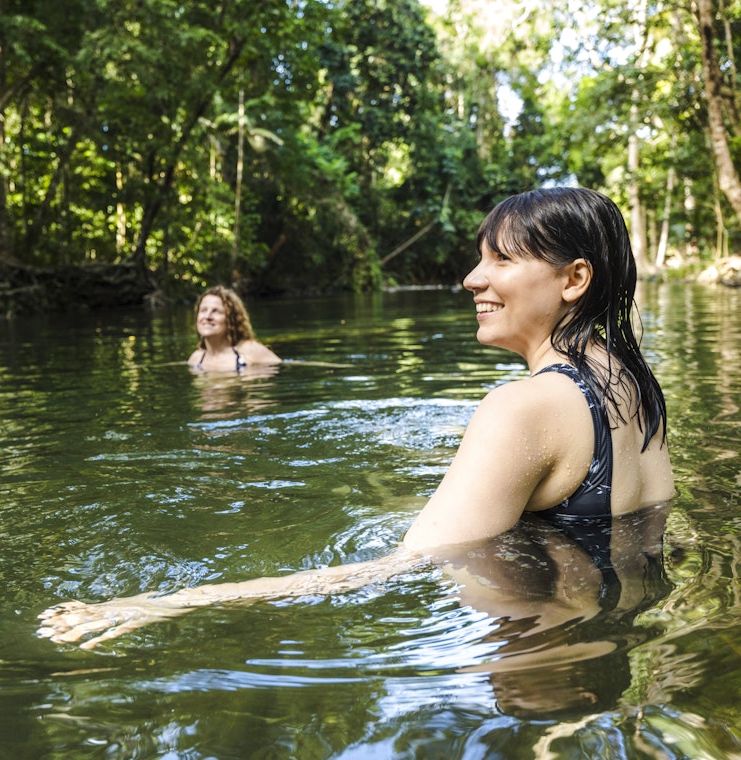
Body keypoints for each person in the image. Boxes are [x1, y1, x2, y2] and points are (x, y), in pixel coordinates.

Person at [39, 187, 674, 649]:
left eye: (500, 261)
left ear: (575, 279)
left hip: (527, 654)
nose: (471, 278)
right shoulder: (633, 384)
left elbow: (395, 570)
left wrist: (168, 604)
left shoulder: (525, 406)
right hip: (606, 638)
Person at [187, 285, 281, 371]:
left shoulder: (249, 351)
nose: (207, 317)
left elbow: (282, 372)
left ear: (231, 319)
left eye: (216, 311)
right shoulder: (196, 359)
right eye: (203, 310)